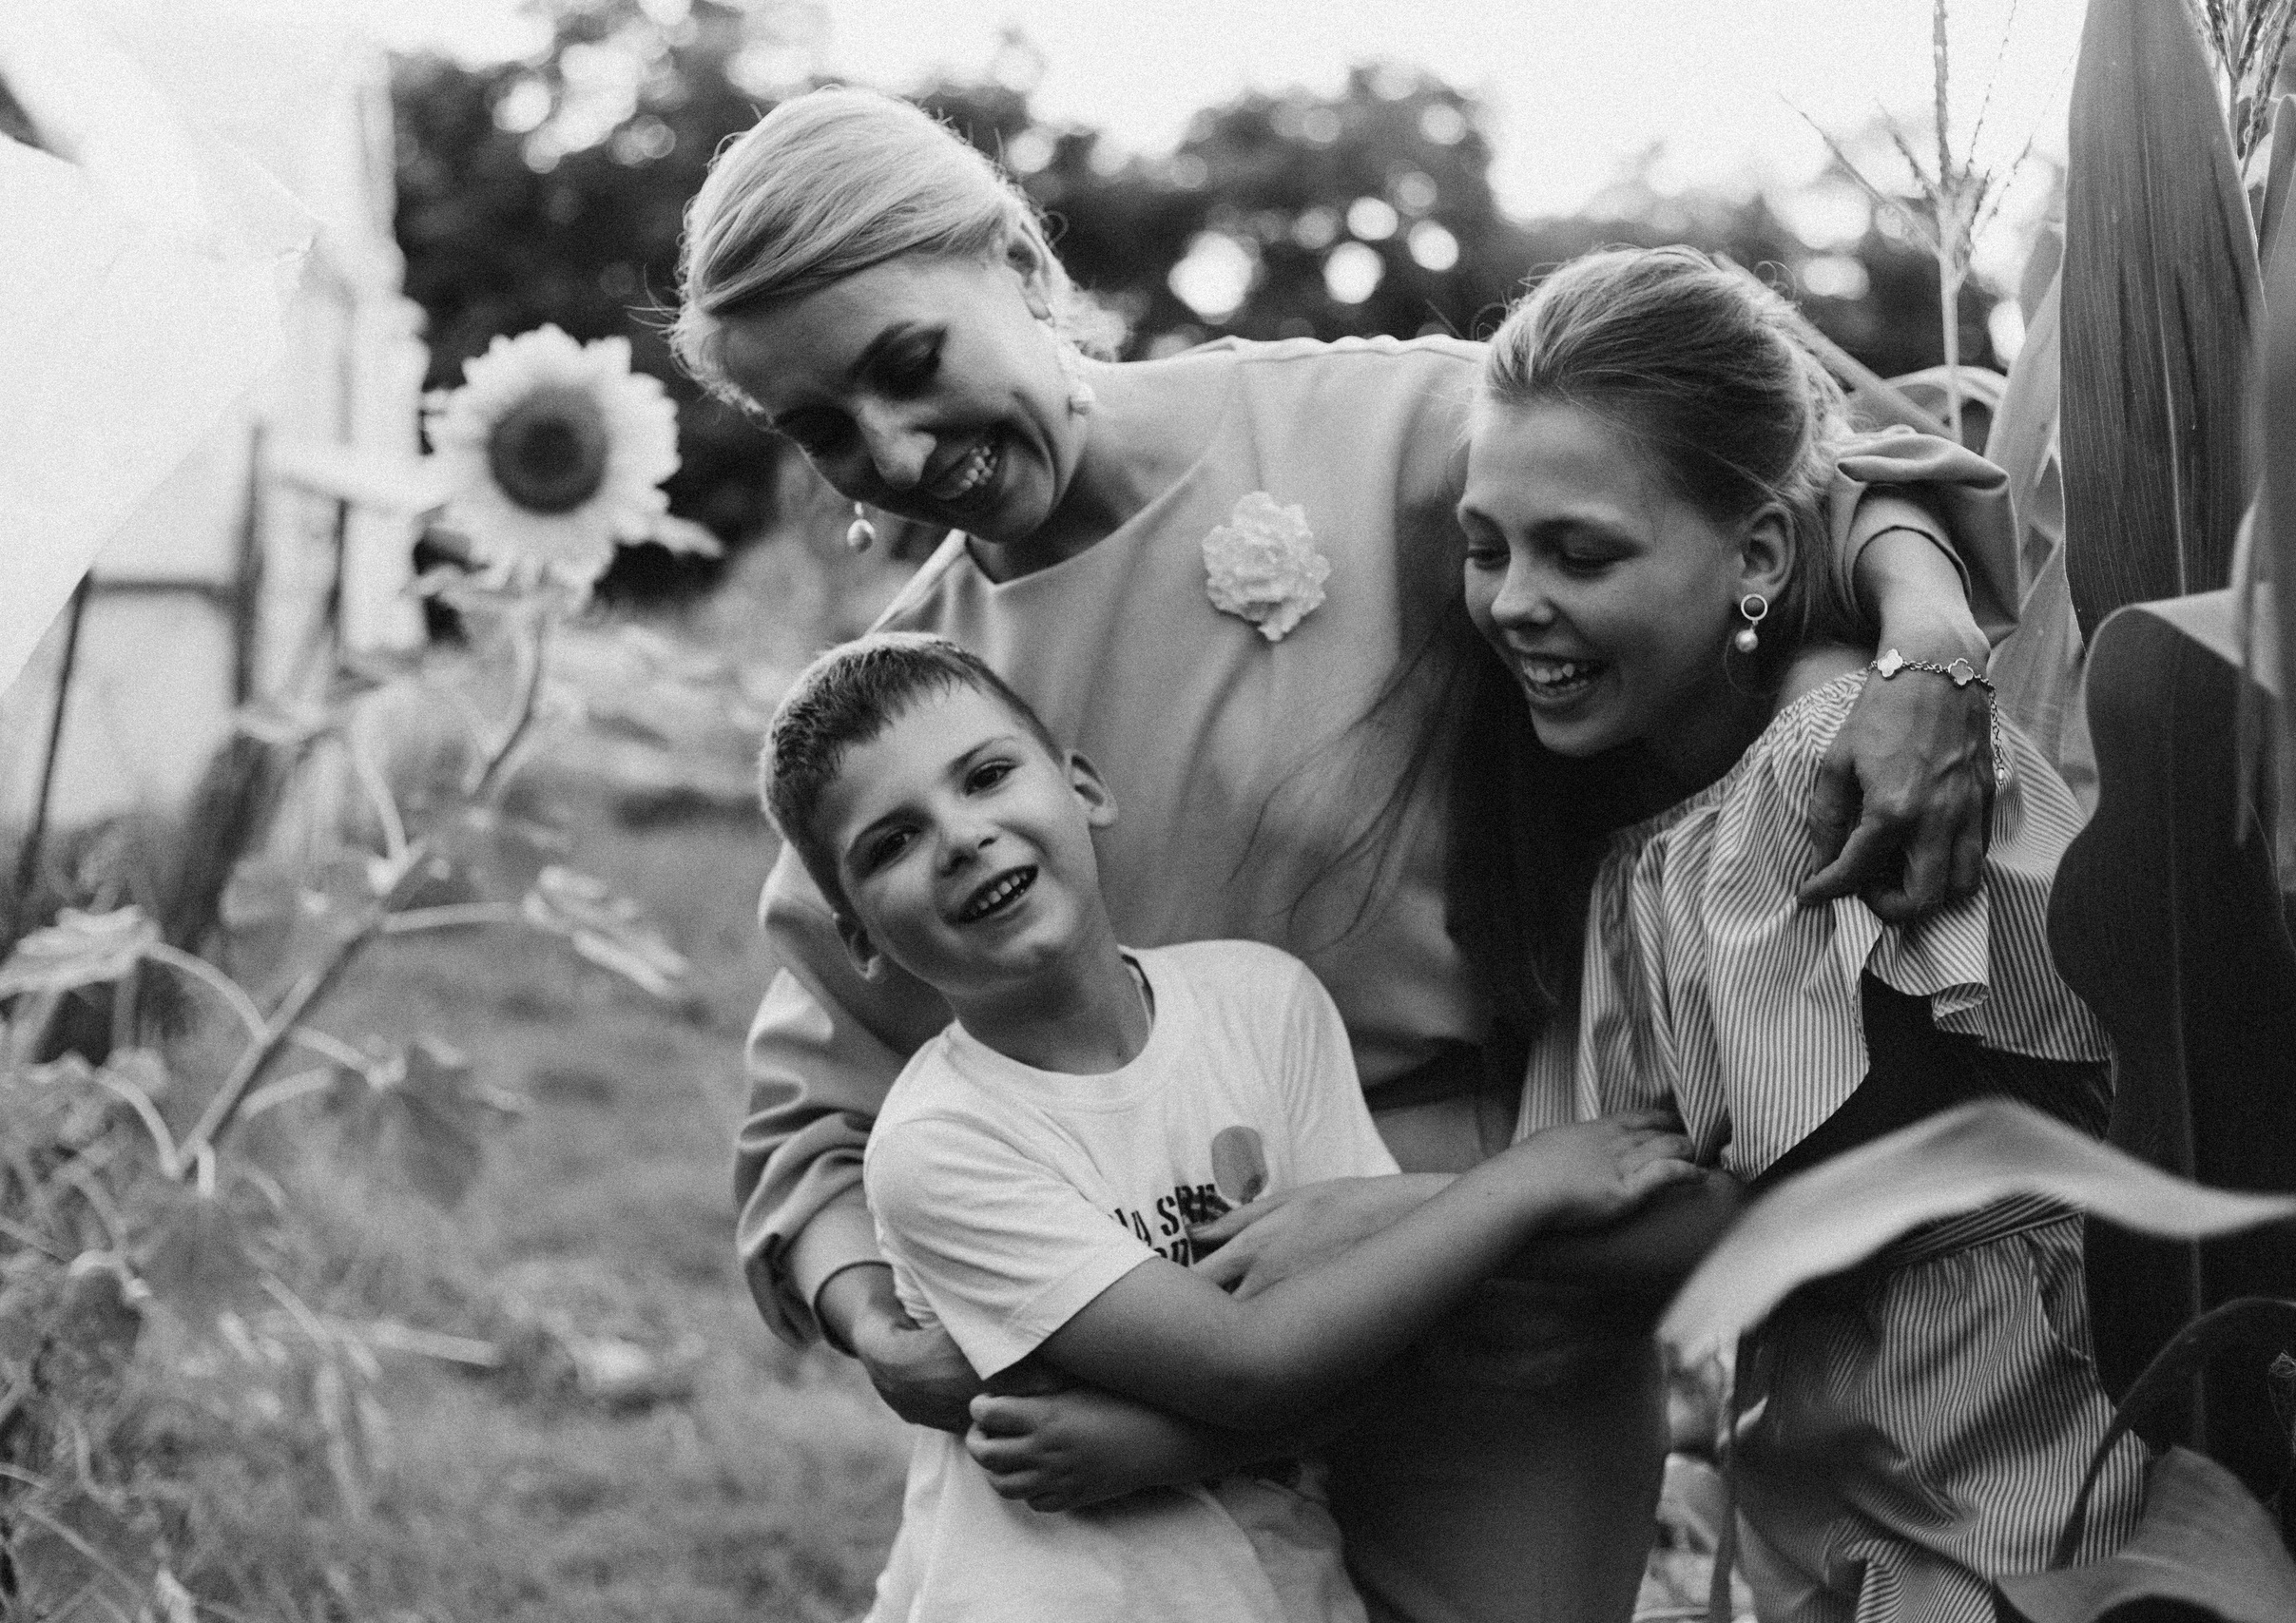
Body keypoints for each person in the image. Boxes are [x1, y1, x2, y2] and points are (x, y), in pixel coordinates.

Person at [675, 85, 2016, 1622]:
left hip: (1499, 1298)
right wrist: (875, 1311)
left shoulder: (1368, 427)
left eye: (907, 366)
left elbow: (1782, 479)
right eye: (822, 430)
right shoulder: (912, 704)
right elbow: (810, 1112)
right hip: (1160, 1349)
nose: (894, 449)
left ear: (1010, 259)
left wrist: (1925, 653)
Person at [1444, 245, 2143, 1619]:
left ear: (1759, 553)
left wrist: (1399, 1224)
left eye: (1579, 551)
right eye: (1486, 547)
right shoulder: (1652, 836)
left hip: (2011, 1462)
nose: (1515, 599)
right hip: (1841, 1469)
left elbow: (1816, 1196)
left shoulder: (1841, 759)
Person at [760, 630, 1702, 1623]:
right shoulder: (939, 1143)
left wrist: (1173, 1450)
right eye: (892, 842)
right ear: (857, 936)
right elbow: (1246, 1365)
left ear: (1081, 786)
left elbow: (1394, 1342)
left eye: (987, 776)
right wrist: (1523, 1182)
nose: (960, 837)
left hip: (1281, 1589)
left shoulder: (1265, 1005)